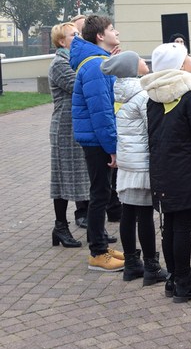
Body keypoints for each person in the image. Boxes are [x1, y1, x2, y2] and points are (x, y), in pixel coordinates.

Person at [142, 43, 191, 303]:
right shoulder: (190, 92)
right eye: (186, 56)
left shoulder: (152, 94)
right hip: (184, 166)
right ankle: (184, 284)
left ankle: (174, 279)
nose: (190, 58)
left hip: (161, 167)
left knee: (169, 225)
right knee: (182, 226)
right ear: (178, 63)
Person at [101, 51, 169, 285]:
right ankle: (151, 266)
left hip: (127, 161)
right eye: (140, 60)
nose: (145, 62)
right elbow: (152, 127)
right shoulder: (141, 95)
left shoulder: (119, 91)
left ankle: (131, 264)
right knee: (145, 215)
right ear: (132, 68)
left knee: (128, 213)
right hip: (142, 163)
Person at [70, 14, 124, 272]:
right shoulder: (95, 66)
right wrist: (112, 147)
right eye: (112, 29)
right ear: (100, 36)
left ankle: (100, 244)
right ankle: (97, 252)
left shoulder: (100, 61)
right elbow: (101, 112)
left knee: (101, 193)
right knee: (99, 194)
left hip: (97, 138)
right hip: (96, 140)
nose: (116, 32)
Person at [48, 22, 90, 248]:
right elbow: (79, 85)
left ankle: (93, 227)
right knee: (63, 178)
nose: (79, 37)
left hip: (77, 126)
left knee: (83, 177)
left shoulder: (74, 60)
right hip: (64, 129)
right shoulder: (59, 63)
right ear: (62, 42)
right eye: (74, 35)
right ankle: (60, 226)